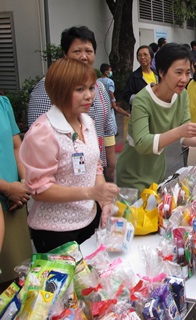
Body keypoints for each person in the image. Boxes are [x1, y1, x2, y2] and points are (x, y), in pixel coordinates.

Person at [20, 58, 120, 253]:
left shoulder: (87, 122)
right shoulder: (44, 132)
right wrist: (90, 193)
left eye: (91, 88)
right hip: (55, 231)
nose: (88, 96)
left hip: (89, 219)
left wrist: (104, 201)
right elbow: (39, 189)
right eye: (79, 90)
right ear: (60, 91)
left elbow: (95, 166)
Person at [28, 26, 116, 183]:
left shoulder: (100, 87)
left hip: (96, 172)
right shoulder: (47, 87)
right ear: (65, 54)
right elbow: (37, 139)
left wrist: (111, 164)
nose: (84, 57)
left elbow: (107, 127)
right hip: (63, 180)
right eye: (77, 51)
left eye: (88, 51)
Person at [116, 43, 196, 193]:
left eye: (187, 72)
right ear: (162, 72)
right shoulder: (142, 100)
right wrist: (180, 131)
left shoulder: (182, 95)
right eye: (178, 72)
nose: (184, 79)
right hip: (132, 176)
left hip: (157, 172)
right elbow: (142, 143)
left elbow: (184, 136)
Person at [0, 95, 32, 283]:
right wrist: (7, 188)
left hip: (15, 202)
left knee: (20, 274)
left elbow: (16, 145)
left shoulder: (3, 103)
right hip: (8, 193)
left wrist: (22, 181)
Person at [98, 63, 130, 135]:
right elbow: (111, 92)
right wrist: (113, 101)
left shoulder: (97, 81)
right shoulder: (109, 82)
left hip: (99, 104)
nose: (111, 72)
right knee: (111, 121)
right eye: (110, 70)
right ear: (106, 72)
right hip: (109, 104)